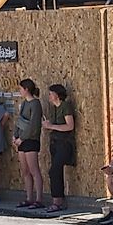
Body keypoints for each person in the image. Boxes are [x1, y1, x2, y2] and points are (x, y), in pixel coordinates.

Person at [41, 84, 75, 214]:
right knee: (55, 171)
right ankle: (57, 199)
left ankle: (57, 202)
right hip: (54, 142)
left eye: (51, 94)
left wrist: (52, 126)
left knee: (54, 170)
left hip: (64, 142)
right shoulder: (54, 108)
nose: (49, 96)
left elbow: (69, 126)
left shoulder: (65, 106)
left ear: (56, 95)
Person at [13, 79, 44, 209]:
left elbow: (34, 125)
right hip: (21, 139)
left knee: (34, 169)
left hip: (31, 139)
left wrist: (23, 138)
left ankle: (39, 199)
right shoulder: (24, 103)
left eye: (21, 89)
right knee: (25, 170)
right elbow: (20, 120)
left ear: (26, 89)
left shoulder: (35, 104)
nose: (20, 91)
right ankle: (29, 197)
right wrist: (15, 135)